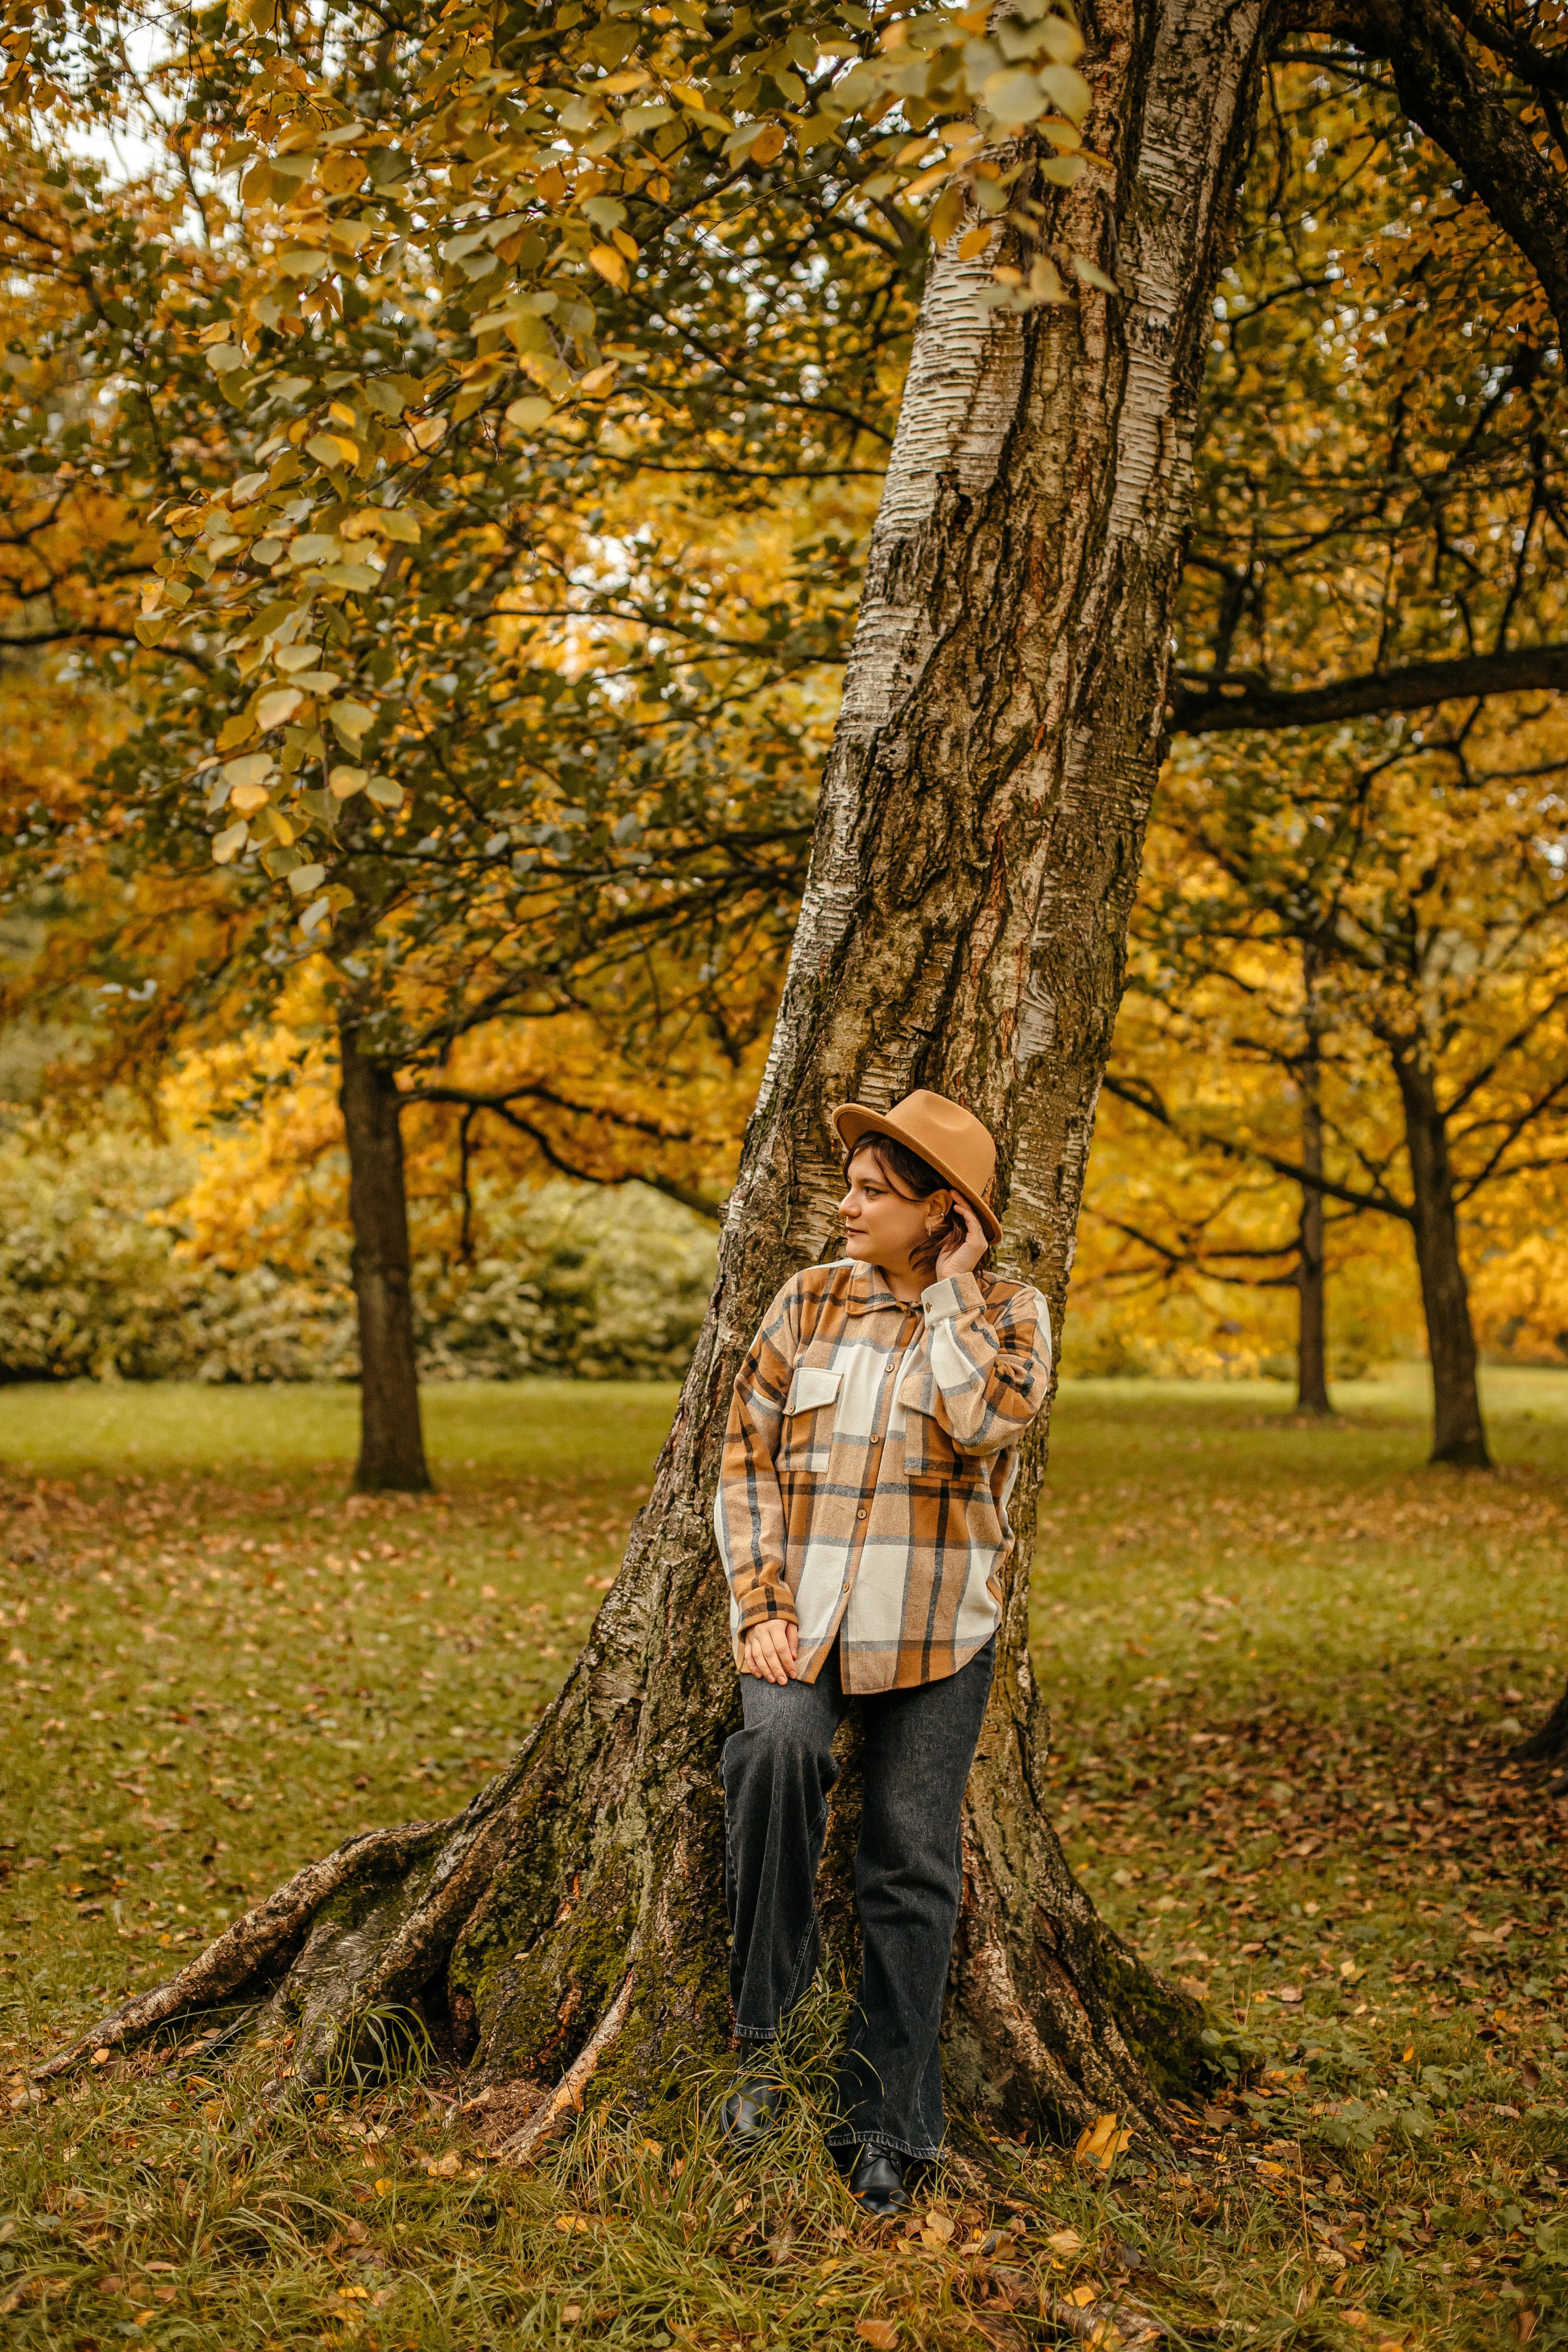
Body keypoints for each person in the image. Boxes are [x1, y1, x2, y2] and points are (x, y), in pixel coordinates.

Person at [714, 1088, 1054, 2217]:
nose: (846, 1205)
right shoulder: (805, 1303)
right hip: (799, 1623)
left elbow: (986, 1422)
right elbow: (743, 1461)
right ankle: (761, 2047)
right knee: (772, 1764)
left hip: (935, 1633)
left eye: (873, 1191)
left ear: (939, 1213)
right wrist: (759, 1603)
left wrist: (953, 1289)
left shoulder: (1010, 1316)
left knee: (911, 1858)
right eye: (850, 1184)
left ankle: (890, 2122)